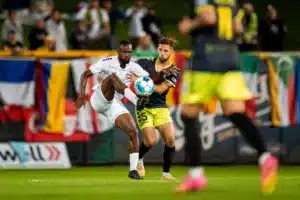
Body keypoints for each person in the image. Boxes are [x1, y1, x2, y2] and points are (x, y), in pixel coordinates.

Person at [177, 0, 278, 194]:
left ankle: (196, 175)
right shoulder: (231, 1)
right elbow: (238, 28)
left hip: (206, 63)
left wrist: (189, 25)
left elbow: (207, 17)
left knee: (188, 114)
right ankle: (265, 156)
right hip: (230, 60)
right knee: (235, 112)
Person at [75, 40, 176, 179]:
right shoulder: (107, 61)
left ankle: (133, 170)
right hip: (99, 99)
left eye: (129, 52)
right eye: (123, 51)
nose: (126, 55)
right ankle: (137, 101)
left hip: (114, 104)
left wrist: (163, 73)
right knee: (112, 78)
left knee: (133, 130)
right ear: (118, 51)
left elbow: (150, 78)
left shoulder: (133, 66)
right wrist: (81, 95)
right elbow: (85, 74)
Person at [127, 36, 180, 180]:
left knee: (170, 140)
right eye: (160, 49)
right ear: (157, 49)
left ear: (171, 52)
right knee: (150, 141)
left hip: (160, 107)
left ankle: (165, 174)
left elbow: (160, 89)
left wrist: (139, 80)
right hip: (143, 106)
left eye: (166, 51)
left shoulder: (173, 71)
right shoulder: (144, 63)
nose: (162, 53)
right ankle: (138, 159)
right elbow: (127, 70)